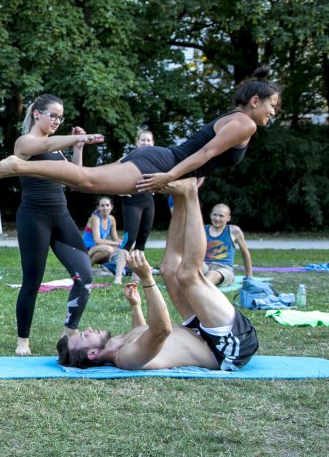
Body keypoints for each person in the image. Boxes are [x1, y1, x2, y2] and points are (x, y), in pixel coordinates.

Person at [56, 178, 258, 371]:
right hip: (227, 347)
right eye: (84, 336)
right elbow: (161, 331)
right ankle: (190, 193)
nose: (88, 329)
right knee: (189, 275)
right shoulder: (125, 358)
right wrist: (147, 279)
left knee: (168, 269)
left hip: (200, 332)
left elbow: (144, 334)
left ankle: (178, 198)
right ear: (92, 353)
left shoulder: (118, 343)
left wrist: (135, 306)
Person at [0, 68, 280, 195]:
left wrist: (174, 180)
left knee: (82, 183)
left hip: (157, 159)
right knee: (86, 180)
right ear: (255, 101)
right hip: (159, 164)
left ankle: (21, 167)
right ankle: (17, 166)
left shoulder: (234, 118)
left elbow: (203, 157)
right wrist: (168, 176)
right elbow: (204, 153)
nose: (274, 112)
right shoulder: (245, 123)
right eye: (272, 105)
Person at [0, 94, 98, 356]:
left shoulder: (57, 148)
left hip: (61, 216)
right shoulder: (24, 143)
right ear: (37, 114)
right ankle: (23, 341)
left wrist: (78, 148)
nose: (57, 121)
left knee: (85, 275)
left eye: (61, 117)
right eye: (53, 115)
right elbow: (46, 143)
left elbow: (75, 178)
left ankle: (69, 332)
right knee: (32, 281)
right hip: (34, 218)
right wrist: (78, 137)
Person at [113, 130, 156, 285]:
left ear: (153, 143)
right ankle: (118, 277)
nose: (146, 143)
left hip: (148, 202)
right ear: (137, 142)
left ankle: (136, 275)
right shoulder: (128, 158)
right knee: (129, 239)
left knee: (142, 240)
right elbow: (111, 174)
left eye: (149, 140)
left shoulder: (155, 159)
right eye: (143, 140)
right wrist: (120, 190)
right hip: (132, 203)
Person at [203, 203, 253, 287]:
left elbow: (245, 254)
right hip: (205, 266)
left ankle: (200, 288)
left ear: (228, 218)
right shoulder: (203, 229)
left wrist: (249, 277)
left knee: (212, 275)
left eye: (221, 216)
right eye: (215, 215)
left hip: (224, 269)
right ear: (211, 215)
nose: (217, 218)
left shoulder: (234, 231)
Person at [82, 196, 121, 265]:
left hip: (100, 247)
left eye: (107, 205)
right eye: (102, 206)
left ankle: (105, 265)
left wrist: (125, 242)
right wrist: (117, 243)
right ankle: (89, 263)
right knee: (109, 249)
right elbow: (98, 240)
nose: (105, 208)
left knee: (122, 250)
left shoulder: (111, 219)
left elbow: (115, 239)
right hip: (89, 248)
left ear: (111, 207)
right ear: (98, 208)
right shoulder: (95, 218)